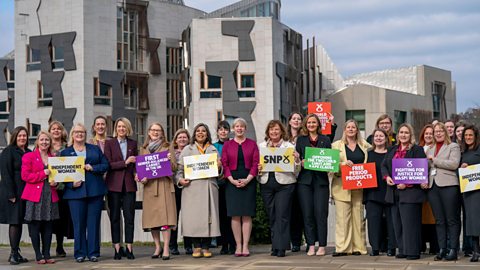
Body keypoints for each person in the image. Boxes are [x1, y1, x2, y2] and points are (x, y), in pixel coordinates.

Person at [60, 123, 109, 263]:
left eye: (82, 132)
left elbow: (106, 165)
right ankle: (80, 253)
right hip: (75, 193)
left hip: (95, 191)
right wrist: (70, 184)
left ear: (85, 134)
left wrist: (93, 167)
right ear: (72, 135)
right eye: (77, 132)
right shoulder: (65, 152)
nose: (79, 134)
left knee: (93, 223)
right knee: (78, 224)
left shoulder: (94, 149)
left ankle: (93, 252)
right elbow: (61, 175)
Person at [382, 123, 427, 260]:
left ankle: (412, 251)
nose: (403, 135)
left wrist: (406, 184)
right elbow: (383, 165)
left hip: (410, 193)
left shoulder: (417, 150)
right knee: (398, 223)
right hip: (394, 192)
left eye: (406, 132)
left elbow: (420, 171)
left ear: (411, 135)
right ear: (398, 135)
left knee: (410, 224)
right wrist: (387, 177)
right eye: (401, 132)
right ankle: (402, 249)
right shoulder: (392, 149)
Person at [176, 123, 221, 258]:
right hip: (192, 189)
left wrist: (219, 167)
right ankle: (196, 247)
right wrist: (180, 180)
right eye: (198, 131)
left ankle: (206, 246)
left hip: (208, 188)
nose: (201, 133)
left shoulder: (213, 149)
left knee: (209, 218)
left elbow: (220, 173)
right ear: (194, 134)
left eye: (203, 131)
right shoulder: (187, 150)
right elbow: (179, 172)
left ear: (207, 134)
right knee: (194, 218)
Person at [258, 120, 300, 257]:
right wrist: (258, 168)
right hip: (266, 182)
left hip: (285, 184)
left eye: (276, 129)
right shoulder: (261, 146)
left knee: (282, 215)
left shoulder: (289, 147)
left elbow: (296, 170)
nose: (274, 132)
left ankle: (281, 247)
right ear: (267, 132)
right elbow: (256, 165)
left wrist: (297, 161)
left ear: (281, 131)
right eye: (271, 130)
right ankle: (275, 245)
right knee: (272, 216)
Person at [138, 122, 177, 260]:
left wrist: (168, 161)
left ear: (162, 133)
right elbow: (140, 170)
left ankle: (166, 247)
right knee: (152, 220)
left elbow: (174, 168)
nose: (155, 132)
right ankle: (157, 247)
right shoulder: (142, 149)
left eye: (158, 130)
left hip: (164, 186)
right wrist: (140, 178)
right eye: (153, 130)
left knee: (165, 219)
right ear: (148, 132)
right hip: (149, 188)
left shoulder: (168, 147)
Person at [331, 119, 370, 256]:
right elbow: (330, 165)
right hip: (341, 186)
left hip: (359, 187)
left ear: (357, 130)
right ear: (344, 129)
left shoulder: (364, 145)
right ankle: (343, 248)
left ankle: (359, 247)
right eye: (349, 127)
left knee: (358, 218)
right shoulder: (336, 145)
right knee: (343, 219)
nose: (351, 129)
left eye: (354, 127)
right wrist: (343, 164)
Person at [222, 118, 260, 257]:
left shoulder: (253, 144)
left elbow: (256, 163)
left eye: (242, 126)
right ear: (233, 129)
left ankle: (245, 246)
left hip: (248, 180)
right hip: (232, 181)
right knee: (235, 215)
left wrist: (248, 179)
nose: (239, 129)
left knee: (247, 215)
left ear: (245, 128)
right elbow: (224, 164)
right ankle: (238, 246)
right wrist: (231, 180)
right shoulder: (227, 145)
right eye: (237, 126)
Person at [295, 114, 331, 256]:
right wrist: (300, 162)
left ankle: (322, 245)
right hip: (305, 182)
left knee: (321, 214)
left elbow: (329, 161)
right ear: (305, 124)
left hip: (321, 182)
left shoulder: (325, 140)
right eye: (309, 122)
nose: (311, 124)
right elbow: (297, 161)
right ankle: (310, 245)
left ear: (318, 124)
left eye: (313, 122)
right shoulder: (301, 140)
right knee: (307, 214)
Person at [21, 131, 59, 264]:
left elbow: (58, 177)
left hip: (50, 195)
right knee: (35, 226)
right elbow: (25, 176)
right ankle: (38, 254)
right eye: (42, 140)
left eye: (47, 140)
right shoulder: (29, 156)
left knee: (48, 225)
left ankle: (47, 254)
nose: (44, 142)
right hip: (34, 196)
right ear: (37, 141)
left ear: (50, 142)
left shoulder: (54, 157)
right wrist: (42, 173)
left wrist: (56, 182)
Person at [426, 122, 461, 261]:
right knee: (439, 220)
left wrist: (434, 160)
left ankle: (453, 249)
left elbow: (453, 164)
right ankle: (442, 249)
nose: (438, 133)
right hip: (432, 186)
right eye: (436, 131)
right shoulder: (429, 148)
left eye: (441, 131)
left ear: (446, 132)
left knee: (451, 219)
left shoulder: (453, 146)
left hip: (449, 186)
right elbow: (426, 168)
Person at [104, 117, 138, 260]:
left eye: (124, 127)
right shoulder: (109, 143)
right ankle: (117, 247)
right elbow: (108, 164)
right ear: (115, 128)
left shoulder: (133, 143)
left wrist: (137, 173)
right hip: (113, 185)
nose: (121, 129)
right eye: (119, 126)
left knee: (130, 217)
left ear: (128, 128)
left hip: (129, 184)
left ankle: (129, 247)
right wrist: (125, 162)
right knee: (115, 217)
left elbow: (137, 164)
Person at [0, 127, 32, 265]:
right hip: (13, 192)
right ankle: (13, 254)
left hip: (26, 191)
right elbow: (5, 174)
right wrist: (11, 194)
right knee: (14, 222)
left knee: (19, 222)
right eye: (20, 136)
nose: (22, 138)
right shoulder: (8, 151)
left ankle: (16, 253)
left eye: (24, 136)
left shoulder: (29, 152)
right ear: (14, 137)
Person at [364, 128, 396, 256]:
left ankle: (391, 247)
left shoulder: (392, 153)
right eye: (376, 136)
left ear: (386, 138)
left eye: (381, 136)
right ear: (373, 139)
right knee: (373, 222)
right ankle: (375, 247)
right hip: (372, 193)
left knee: (391, 222)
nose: (378, 138)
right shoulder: (368, 154)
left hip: (389, 191)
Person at [48, 120, 73, 257]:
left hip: (64, 188)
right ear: (50, 131)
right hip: (49, 188)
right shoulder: (45, 145)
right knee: (48, 218)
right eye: (53, 129)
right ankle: (46, 246)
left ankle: (59, 245)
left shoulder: (68, 147)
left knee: (62, 218)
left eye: (58, 128)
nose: (56, 131)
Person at [213, 120, 236, 255]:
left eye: (225, 129)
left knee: (231, 214)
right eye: (220, 129)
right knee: (221, 214)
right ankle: (223, 244)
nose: (223, 131)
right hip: (219, 183)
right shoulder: (213, 146)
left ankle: (233, 243)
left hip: (231, 182)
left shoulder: (234, 144)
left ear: (229, 131)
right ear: (217, 132)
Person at [169, 128, 193, 255]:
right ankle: (173, 245)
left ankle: (188, 244)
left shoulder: (192, 151)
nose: (182, 139)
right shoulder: (170, 152)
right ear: (175, 140)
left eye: (185, 137)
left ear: (189, 139)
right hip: (174, 187)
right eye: (180, 137)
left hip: (189, 187)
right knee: (174, 217)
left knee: (188, 217)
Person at [459, 124, 480, 262]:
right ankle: (476, 251)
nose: (468, 137)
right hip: (469, 191)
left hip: (479, 190)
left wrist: (471, 167)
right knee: (472, 221)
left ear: (476, 136)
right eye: (466, 135)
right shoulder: (462, 153)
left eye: (470, 135)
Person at [418, 124, 439, 255]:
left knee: (433, 218)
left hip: (432, 186)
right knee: (421, 218)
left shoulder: (438, 149)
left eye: (431, 133)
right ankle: (421, 245)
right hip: (419, 188)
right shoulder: (418, 148)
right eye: (426, 133)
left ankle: (434, 246)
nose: (428, 135)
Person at [286, 112, 305, 252]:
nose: (296, 121)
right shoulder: (284, 138)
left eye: (299, 119)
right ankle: (293, 241)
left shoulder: (305, 137)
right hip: (288, 178)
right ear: (289, 121)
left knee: (302, 210)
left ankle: (302, 240)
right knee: (291, 211)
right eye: (294, 118)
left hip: (303, 177)